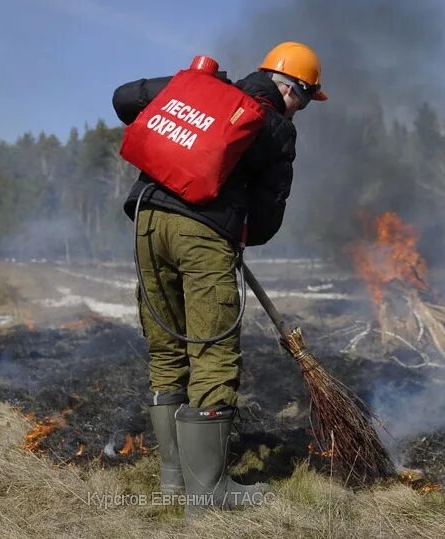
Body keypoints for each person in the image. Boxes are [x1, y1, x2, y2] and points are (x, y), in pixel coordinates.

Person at [113, 42, 327, 513]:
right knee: (211, 351)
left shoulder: (205, 86)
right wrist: (236, 220)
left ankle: (175, 480)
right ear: (291, 88)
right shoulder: (276, 129)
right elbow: (268, 221)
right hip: (202, 234)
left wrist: (186, 94)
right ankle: (208, 493)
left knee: (167, 350)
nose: (303, 110)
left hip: (147, 219)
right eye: (307, 98)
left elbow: (124, 97)